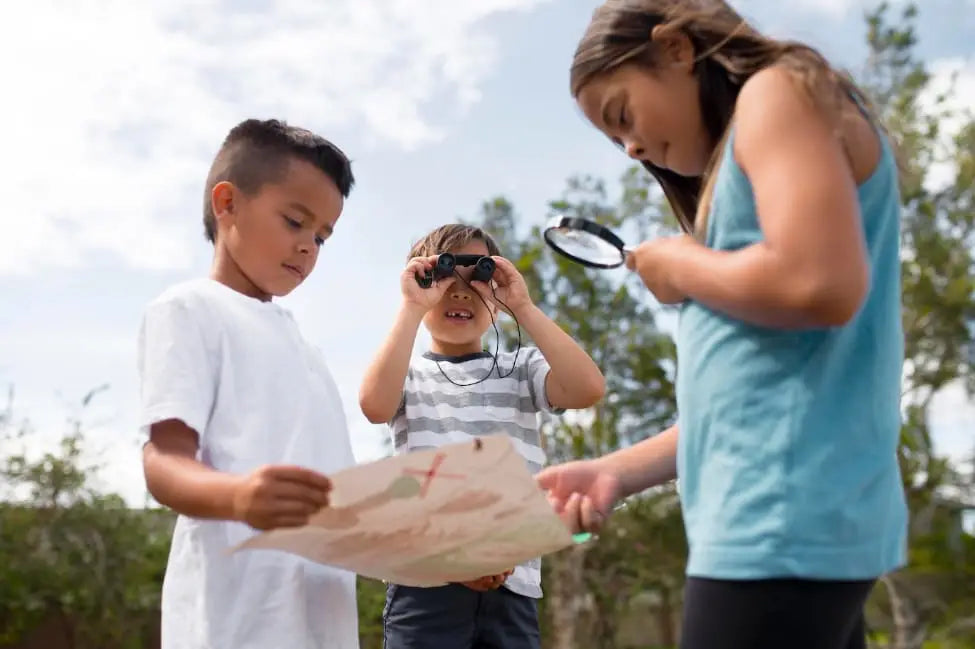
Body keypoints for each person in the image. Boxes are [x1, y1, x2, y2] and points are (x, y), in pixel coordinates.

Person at [537, 2, 908, 649]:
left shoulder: (775, 89)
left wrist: (682, 263)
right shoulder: (751, 150)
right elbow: (743, 402)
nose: (629, 148)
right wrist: (616, 470)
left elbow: (819, 282)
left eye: (621, 114)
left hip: (777, 518)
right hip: (789, 520)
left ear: (677, 50)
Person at [138, 118, 360, 649]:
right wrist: (240, 496)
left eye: (322, 237)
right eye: (294, 221)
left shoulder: (309, 353)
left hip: (322, 621)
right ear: (227, 203)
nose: (308, 247)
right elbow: (164, 462)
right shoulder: (189, 309)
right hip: (233, 622)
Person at [359, 223, 606, 649]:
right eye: (443, 278)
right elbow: (373, 405)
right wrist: (412, 307)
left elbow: (588, 388)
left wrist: (521, 305)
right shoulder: (408, 374)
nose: (460, 292)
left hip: (511, 586)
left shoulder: (522, 369)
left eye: (478, 279)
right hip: (426, 583)